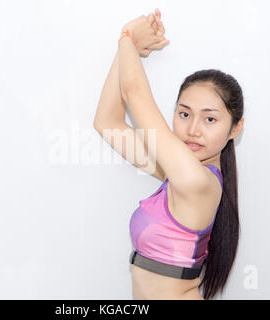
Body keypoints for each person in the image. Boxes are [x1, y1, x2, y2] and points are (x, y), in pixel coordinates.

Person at [93, 8, 244, 300]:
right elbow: (107, 122)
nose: (193, 129)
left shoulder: (195, 182)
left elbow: (134, 92)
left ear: (235, 128)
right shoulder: (176, 174)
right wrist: (129, 48)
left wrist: (127, 35)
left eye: (210, 119)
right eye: (184, 114)